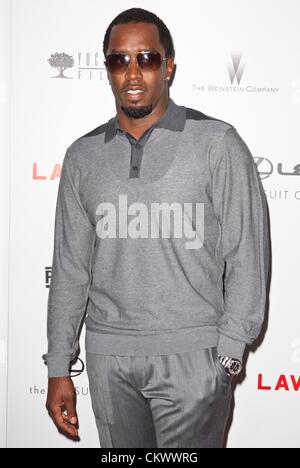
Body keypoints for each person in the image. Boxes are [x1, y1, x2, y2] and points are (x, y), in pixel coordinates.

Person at [43, 7, 270, 448]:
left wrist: (227, 355)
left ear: (168, 66)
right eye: (119, 60)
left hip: (194, 359)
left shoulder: (217, 143)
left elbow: (246, 255)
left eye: (146, 58)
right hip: (110, 360)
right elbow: (70, 270)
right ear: (106, 68)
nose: (133, 73)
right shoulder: (82, 157)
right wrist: (58, 367)